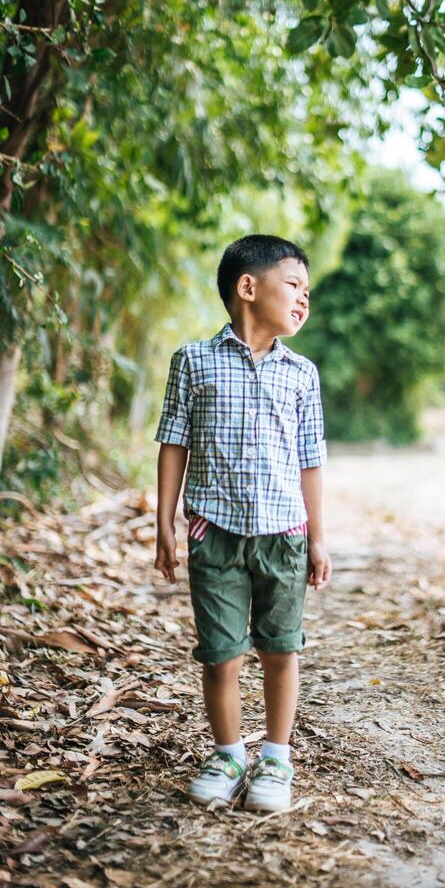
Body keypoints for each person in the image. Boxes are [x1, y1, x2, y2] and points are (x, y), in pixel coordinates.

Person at [153, 234, 331, 812]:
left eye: (308, 290)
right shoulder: (192, 362)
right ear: (247, 288)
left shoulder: (302, 374)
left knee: (281, 649)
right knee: (221, 653)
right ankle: (229, 753)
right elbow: (174, 443)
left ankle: (276, 759)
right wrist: (165, 523)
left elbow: (311, 460)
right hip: (215, 535)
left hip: (284, 536)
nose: (304, 299)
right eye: (294, 285)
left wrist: (318, 536)